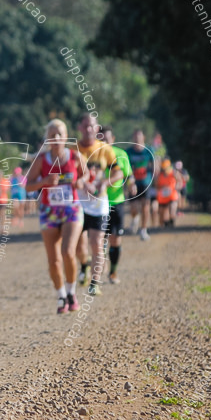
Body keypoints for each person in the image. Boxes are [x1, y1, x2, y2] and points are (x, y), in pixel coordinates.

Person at [25, 119, 87, 314]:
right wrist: (44, 181)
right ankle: (61, 296)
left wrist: (80, 182)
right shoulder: (42, 160)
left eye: (60, 134)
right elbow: (28, 186)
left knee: (68, 252)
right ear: (48, 139)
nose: (56, 138)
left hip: (71, 209)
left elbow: (86, 176)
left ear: (66, 136)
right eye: (52, 135)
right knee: (53, 260)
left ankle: (71, 293)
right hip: (49, 212)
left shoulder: (75, 156)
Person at [74, 115, 123, 296]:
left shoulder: (105, 149)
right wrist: (81, 182)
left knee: (96, 243)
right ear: (80, 127)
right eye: (85, 125)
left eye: (91, 126)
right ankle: (84, 264)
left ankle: (95, 282)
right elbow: (66, 173)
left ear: (96, 129)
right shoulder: (74, 149)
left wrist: (105, 184)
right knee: (79, 247)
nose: (88, 129)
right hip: (78, 203)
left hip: (98, 203)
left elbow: (118, 172)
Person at [100, 126, 132, 285]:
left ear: (112, 139)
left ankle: (113, 271)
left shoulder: (121, 154)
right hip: (99, 203)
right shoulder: (95, 156)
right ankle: (100, 263)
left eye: (107, 138)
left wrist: (132, 185)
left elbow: (128, 175)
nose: (104, 142)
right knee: (99, 238)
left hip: (117, 202)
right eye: (101, 139)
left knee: (115, 239)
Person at [126, 129, 157, 240]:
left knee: (146, 206)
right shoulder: (128, 152)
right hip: (133, 183)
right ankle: (135, 217)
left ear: (143, 137)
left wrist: (155, 179)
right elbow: (126, 168)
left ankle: (143, 230)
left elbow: (154, 164)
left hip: (146, 182)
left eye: (139, 137)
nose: (137, 139)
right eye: (135, 137)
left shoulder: (149, 150)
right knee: (133, 208)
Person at [155, 159, 180, 227]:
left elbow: (179, 180)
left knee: (172, 208)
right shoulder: (159, 175)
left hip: (172, 195)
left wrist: (177, 186)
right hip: (163, 197)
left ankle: (172, 220)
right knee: (162, 212)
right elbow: (157, 186)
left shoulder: (173, 173)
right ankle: (165, 222)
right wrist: (162, 187)